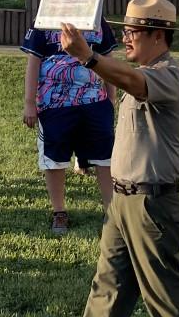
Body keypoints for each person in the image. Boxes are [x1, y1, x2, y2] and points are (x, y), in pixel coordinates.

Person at [35, 0, 179, 317]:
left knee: (164, 292)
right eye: (125, 30)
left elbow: (131, 81)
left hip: (152, 204)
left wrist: (89, 58)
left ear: (158, 35)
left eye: (133, 32)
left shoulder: (168, 74)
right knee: (108, 285)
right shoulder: (139, 70)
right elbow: (125, 78)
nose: (125, 38)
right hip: (122, 201)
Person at [21, 17, 117, 234]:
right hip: (53, 104)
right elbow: (33, 62)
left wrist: (111, 97)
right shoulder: (44, 20)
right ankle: (59, 211)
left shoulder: (96, 20)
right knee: (55, 159)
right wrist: (29, 104)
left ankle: (112, 210)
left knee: (105, 156)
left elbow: (108, 58)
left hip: (94, 100)